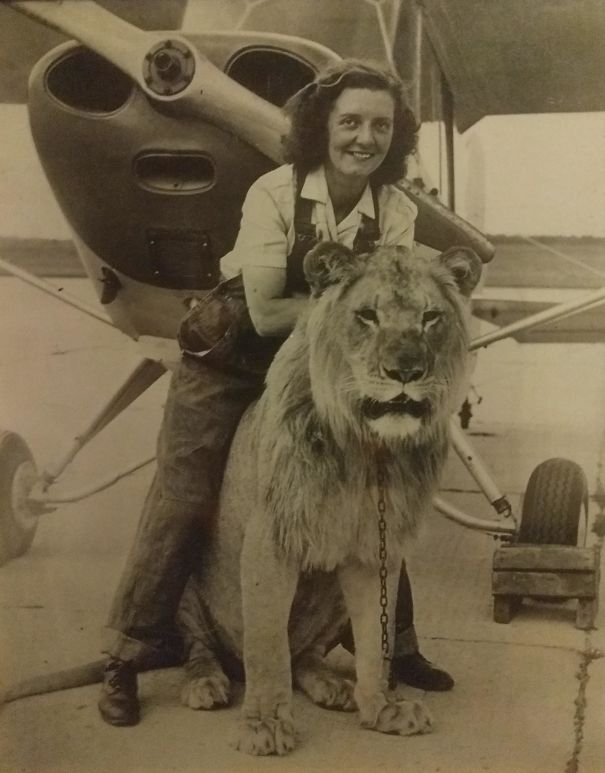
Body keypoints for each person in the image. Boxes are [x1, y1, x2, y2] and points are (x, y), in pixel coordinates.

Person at [98, 59, 454, 728]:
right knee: (184, 493)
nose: (364, 138)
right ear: (322, 126)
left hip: (321, 359)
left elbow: (391, 300)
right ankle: (125, 651)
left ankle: (392, 651)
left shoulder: (395, 209)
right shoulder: (274, 190)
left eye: (381, 125)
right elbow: (264, 312)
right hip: (235, 354)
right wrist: (348, 312)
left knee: (380, 492)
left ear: (395, 137)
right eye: (349, 121)